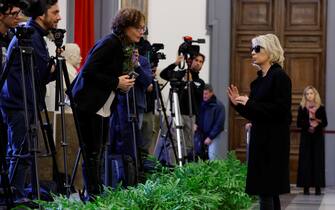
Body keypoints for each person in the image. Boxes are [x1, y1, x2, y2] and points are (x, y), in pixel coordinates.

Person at [69, 8, 145, 199]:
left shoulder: (123, 47)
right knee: (92, 154)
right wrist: (116, 82)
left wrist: (122, 85)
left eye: (143, 28)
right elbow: (88, 71)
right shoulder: (110, 43)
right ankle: (93, 197)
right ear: (125, 26)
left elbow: (109, 76)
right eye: (138, 28)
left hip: (102, 106)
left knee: (99, 151)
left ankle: (96, 193)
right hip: (88, 105)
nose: (141, 32)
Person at [0, 0, 61, 202]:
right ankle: (14, 197)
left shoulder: (33, 35)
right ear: (42, 15)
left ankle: (14, 194)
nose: (59, 17)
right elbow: (41, 74)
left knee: (19, 151)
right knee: (22, 152)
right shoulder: (31, 36)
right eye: (55, 12)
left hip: (22, 101)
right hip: (19, 102)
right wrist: (56, 66)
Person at [227, 33, 291, 210]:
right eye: (252, 49)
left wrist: (250, 102)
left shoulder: (280, 77)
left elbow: (282, 111)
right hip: (260, 139)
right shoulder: (258, 81)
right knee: (268, 190)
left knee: (267, 189)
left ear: (269, 52)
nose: (252, 53)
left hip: (273, 141)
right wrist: (238, 104)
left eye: (257, 49)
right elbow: (255, 112)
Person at [160, 53, 205, 161]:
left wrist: (190, 82)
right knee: (175, 143)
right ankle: (174, 168)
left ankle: (185, 167)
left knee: (189, 145)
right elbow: (164, 74)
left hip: (190, 116)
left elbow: (198, 97)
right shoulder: (180, 74)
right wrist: (175, 63)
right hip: (177, 113)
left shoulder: (200, 82)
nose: (198, 63)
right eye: (196, 60)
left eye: (201, 62)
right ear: (190, 61)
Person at [296, 85, 327, 195]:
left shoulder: (321, 107)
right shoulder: (302, 107)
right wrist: (308, 123)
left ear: (315, 95)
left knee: (318, 162)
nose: (309, 95)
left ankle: (318, 187)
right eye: (307, 94)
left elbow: (325, 123)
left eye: (311, 93)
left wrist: (317, 121)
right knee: (306, 162)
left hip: (318, 138)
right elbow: (298, 123)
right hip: (306, 138)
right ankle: (306, 188)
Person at [194, 84, 225, 160]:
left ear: (212, 93)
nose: (204, 96)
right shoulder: (201, 104)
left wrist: (210, 137)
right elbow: (198, 117)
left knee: (212, 158)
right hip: (201, 135)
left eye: (206, 94)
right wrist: (195, 124)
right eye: (203, 94)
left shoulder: (219, 106)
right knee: (200, 158)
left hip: (213, 137)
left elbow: (219, 124)